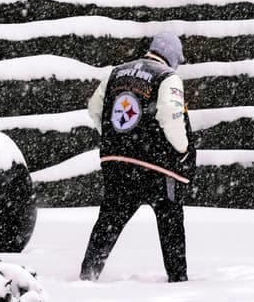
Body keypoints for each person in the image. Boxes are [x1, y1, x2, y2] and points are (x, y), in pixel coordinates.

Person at [79, 32, 194, 283]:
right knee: (170, 221)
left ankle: (88, 274)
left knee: (109, 220)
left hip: (117, 162)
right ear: (172, 56)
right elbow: (171, 117)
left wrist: (117, 139)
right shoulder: (168, 77)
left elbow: (94, 109)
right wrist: (183, 149)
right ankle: (178, 279)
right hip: (156, 167)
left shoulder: (115, 72)